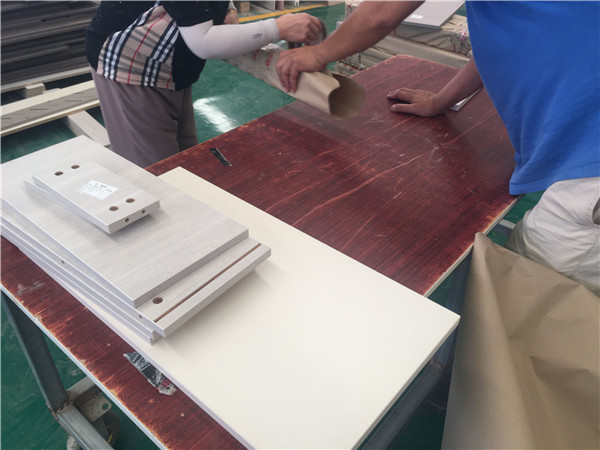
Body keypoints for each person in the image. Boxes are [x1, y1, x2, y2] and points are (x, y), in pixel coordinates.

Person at [276, 1, 600, 295]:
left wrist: (317, 54)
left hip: (589, 183)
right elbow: (503, 41)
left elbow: (382, 12)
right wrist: (441, 100)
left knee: (522, 295)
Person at [86, 1, 322, 167]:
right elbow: (203, 42)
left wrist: (227, 7)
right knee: (157, 171)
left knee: (186, 157)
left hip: (171, 65)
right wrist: (277, 28)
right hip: (130, 65)